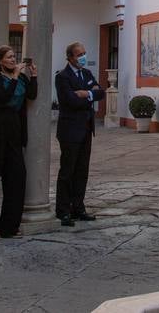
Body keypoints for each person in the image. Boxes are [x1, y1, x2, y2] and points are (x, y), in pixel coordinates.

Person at [0, 46, 37, 238]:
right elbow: (3, 98)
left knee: (17, 178)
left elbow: (31, 95)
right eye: (9, 57)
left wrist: (33, 76)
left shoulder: (20, 78)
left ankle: (10, 225)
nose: (13, 60)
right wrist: (13, 77)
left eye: (14, 56)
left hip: (14, 130)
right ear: (0, 61)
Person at [54, 42, 105, 226]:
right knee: (68, 171)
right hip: (69, 130)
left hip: (85, 128)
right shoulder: (63, 77)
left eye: (84, 53)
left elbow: (100, 92)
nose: (82, 57)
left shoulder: (87, 73)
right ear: (70, 57)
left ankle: (78, 207)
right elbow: (69, 101)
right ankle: (63, 210)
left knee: (82, 170)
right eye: (79, 54)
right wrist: (85, 96)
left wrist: (86, 94)